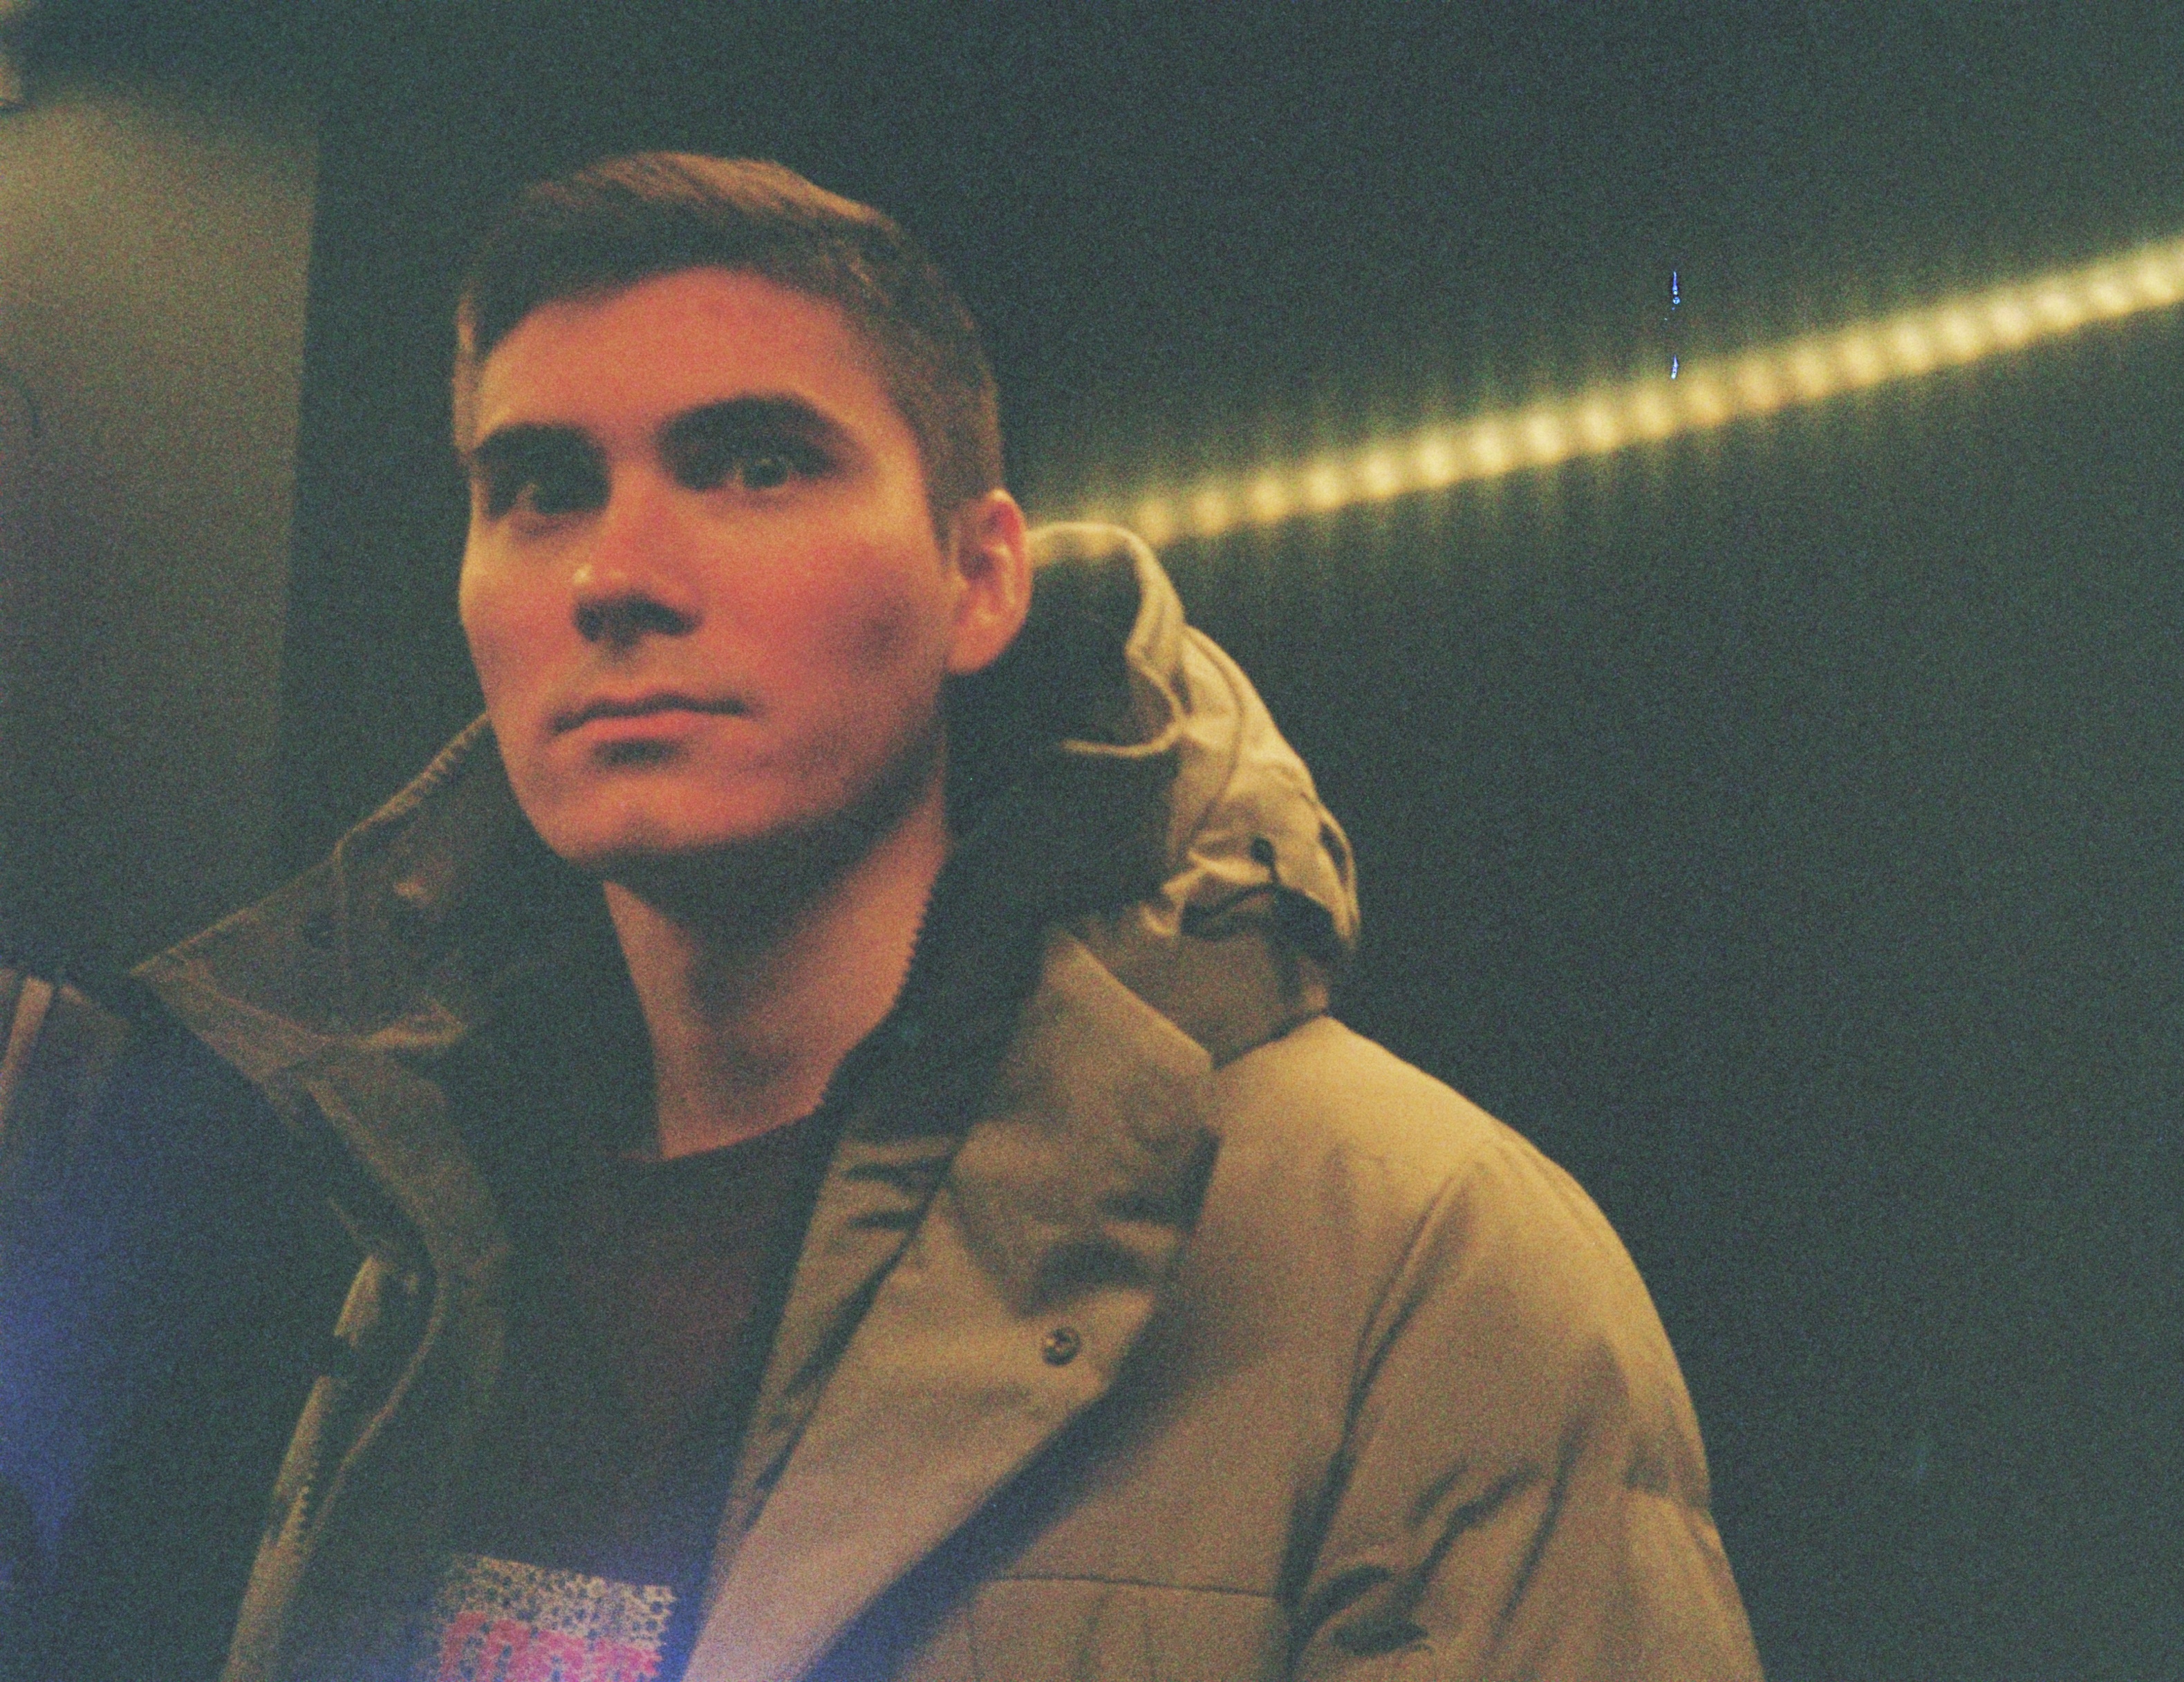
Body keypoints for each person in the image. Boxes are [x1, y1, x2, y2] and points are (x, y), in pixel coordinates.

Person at [0, 153, 1762, 1682]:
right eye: (539, 487)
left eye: (755, 464)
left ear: (979, 577)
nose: (616, 575)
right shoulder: (375, 1208)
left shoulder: (1418, 1257)